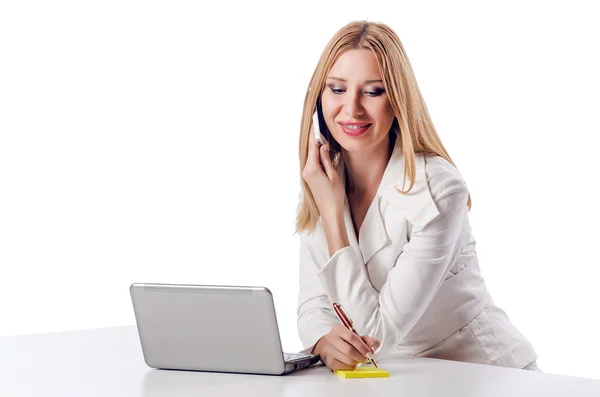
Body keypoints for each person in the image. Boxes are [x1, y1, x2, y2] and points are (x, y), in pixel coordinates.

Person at [294, 20, 539, 372]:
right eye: (336, 89)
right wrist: (324, 342)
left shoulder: (439, 189)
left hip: (479, 373)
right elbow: (314, 305)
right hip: (395, 377)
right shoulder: (323, 175)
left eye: (373, 91)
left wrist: (333, 215)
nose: (352, 109)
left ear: (398, 99)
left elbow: (374, 334)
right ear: (318, 98)